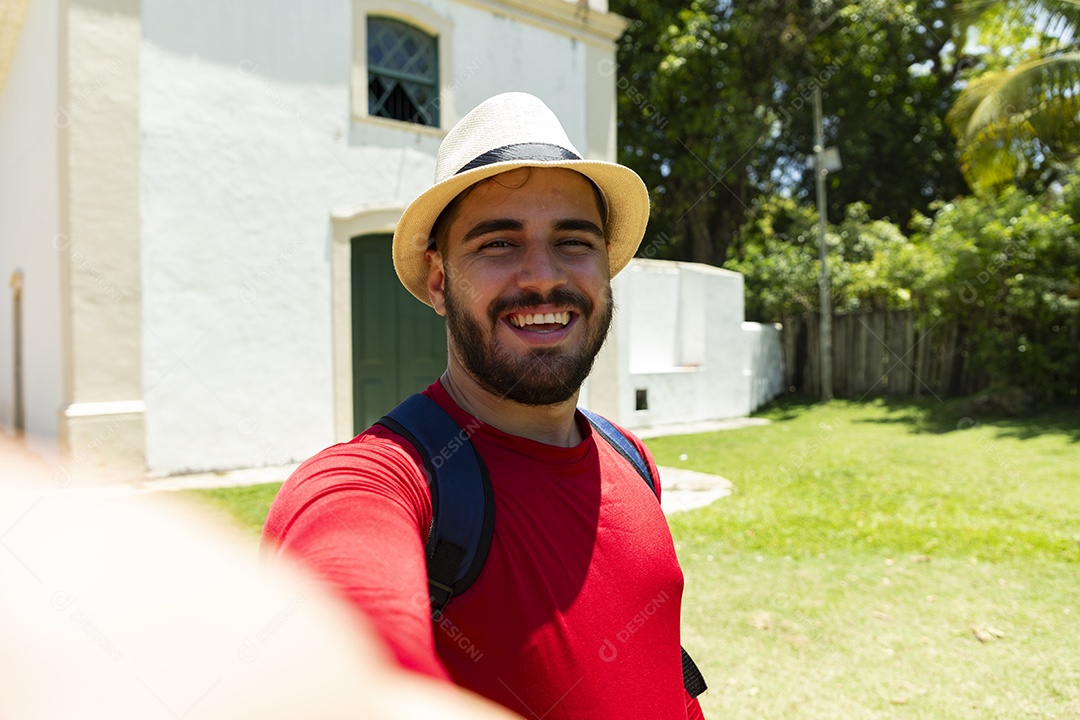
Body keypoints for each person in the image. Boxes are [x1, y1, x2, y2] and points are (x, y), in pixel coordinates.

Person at [262, 92, 707, 719]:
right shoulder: (378, 484)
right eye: (499, 244)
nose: (542, 276)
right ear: (440, 281)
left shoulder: (632, 460)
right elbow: (347, 674)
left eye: (573, 241)